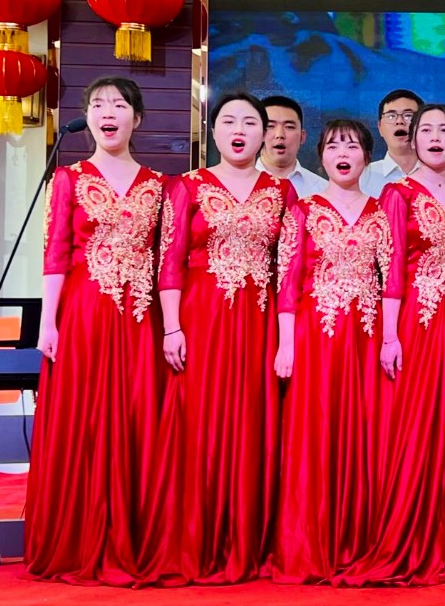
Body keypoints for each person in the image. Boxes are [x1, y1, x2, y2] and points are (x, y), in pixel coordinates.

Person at [26, 77, 167, 585]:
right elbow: (56, 254)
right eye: (98, 104)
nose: (109, 112)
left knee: (137, 416)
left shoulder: (161, 185)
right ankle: (77, 538)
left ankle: (135, 536)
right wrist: (47, 322)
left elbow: (168, 259)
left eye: (120, 104)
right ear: (86, 118)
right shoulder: (68, 178)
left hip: (142, 316)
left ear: (137, 119)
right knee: (83, 419)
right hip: (84, 313)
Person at [152, 93, 296, 585]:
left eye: (250, 123)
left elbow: (288, 271)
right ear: (212, 131)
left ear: (264, 135)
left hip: (259, 324)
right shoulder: (187, 186)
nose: (239, 130)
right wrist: (172, 327)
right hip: (200, 322)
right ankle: (196, 540)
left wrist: (285, 340)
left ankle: (248, 541)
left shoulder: (281, 192)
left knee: (254, 425)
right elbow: (169, 260)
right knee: (198, 425)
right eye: (229, 121)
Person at [360, 104, 445, 584]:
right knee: (418, 422)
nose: (435, 137)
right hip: (418, 318)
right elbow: (391, 268)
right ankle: (412, 534)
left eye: (444, 130)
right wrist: (390, 335)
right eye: (426, 130)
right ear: (412, 140)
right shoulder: (397, 194)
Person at [272, 119, 394, 585]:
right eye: (333, 146)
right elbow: (288, 282)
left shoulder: (382, 212)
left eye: (353, 146)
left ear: (367, 156)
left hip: (366, 337)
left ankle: (357, 540)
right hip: (314, 336)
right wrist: (286, 344)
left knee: (364, 432)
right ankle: (311, 543)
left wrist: (390, 338)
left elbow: (392, 281)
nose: (343, 153)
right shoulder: (302, 211)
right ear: (319, 156)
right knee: (315, 431)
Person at [258, 95, 328, 198]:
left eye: (289, 127)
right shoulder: (237, 186)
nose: (279, 134)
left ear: (302, 137)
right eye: (270, 126)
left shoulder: (323, 190)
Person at [360, 89, 422, 197]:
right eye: (391, 116)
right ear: (380, 127)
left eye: (408, 115)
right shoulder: (364, 177)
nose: (399, 122)